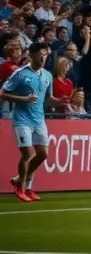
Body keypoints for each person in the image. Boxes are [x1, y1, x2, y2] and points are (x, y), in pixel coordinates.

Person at [1, 42, 54, 202]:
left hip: (39, 120)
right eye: (41, 53)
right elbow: (3, 93)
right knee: (27, 153)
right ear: (32, 54)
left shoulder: (47, 75)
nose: (44, 56)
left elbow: (48, 100)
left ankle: (22, 181)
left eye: (46, 54)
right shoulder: (20, 73)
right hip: (22, 120)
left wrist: (62, 101)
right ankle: (21, 187)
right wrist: (23, 99)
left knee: (43, 154)